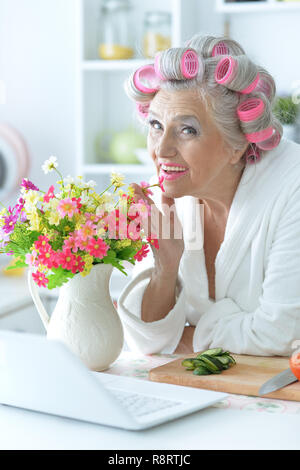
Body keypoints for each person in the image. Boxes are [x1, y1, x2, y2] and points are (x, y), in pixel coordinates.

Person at [117, 34, 300, 356]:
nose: (162, 150)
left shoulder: (292, 185)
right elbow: (144, 340)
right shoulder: (170, 186)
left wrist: (184, 337)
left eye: (187, 130)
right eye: (156, 125)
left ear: (238, 144)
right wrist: (166, 267)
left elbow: (279, 335)